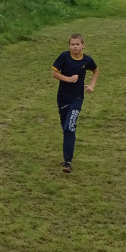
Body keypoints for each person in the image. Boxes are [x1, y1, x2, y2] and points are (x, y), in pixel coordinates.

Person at [51, 33, 99, 173]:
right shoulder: (64, 57)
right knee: (66, 129)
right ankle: (67, 159)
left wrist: (92, 86)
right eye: (73, 44)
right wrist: (68, 79)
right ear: (69, 46)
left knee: (70, 126)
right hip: (62, 97)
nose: (75, 47)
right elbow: (54, 73)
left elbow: (95, 71)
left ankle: (68, 162)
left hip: (77, 98)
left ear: (83, 45)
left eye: (78, 44)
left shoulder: (87, 60)